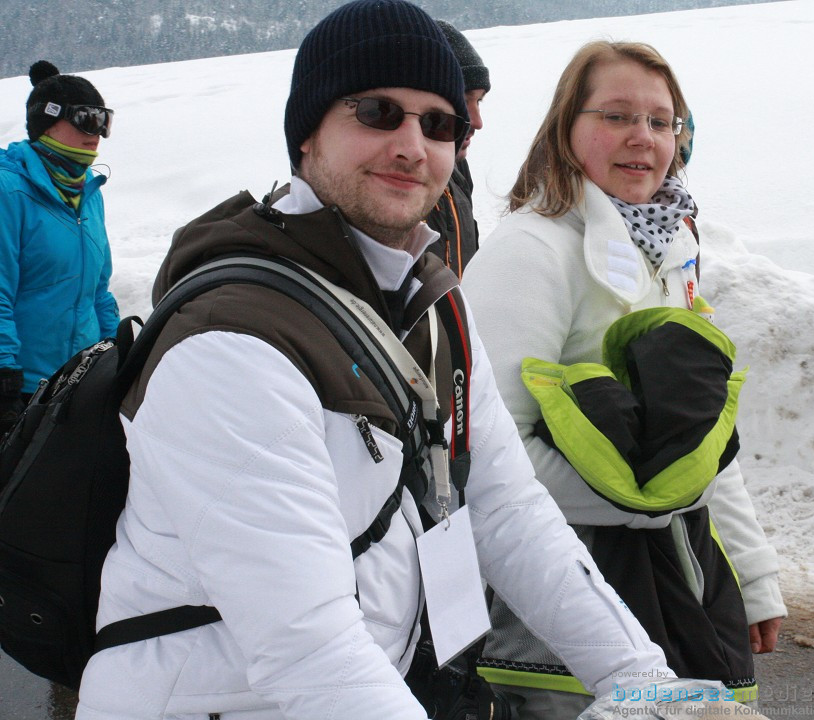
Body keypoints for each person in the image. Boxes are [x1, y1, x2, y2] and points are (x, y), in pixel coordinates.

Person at [74, 4, 759, 719]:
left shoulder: (431, 304)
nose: (413, 145)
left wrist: (645, 684)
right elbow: (307, 649)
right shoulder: (232, 345)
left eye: (439, 124)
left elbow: (508, 510)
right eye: (377, 112)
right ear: (306, 133)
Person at [462, 41, 788, 718]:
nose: (643, 137)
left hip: (681, 580)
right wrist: (646, 506)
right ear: (566, 128)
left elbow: (699, 443)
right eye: (616, 116)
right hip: (562, 599)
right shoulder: (530, 250)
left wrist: (751, 576)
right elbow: (491, 455)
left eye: (661, 122)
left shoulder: (672, 251)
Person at [0, 61, 120, 433]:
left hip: (77, 387)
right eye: (86, 119)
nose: (97, 132)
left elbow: (98, 291)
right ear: (47, 122)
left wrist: (118, 352)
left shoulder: (89, 193)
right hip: (20, 388)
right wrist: (4, 376)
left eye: (105, 120)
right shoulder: (9, 191)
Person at [424, 20, 489, 278]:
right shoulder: (383, 190)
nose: (477, 121)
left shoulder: (457, 168)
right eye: (463, 100)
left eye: (479, 101)